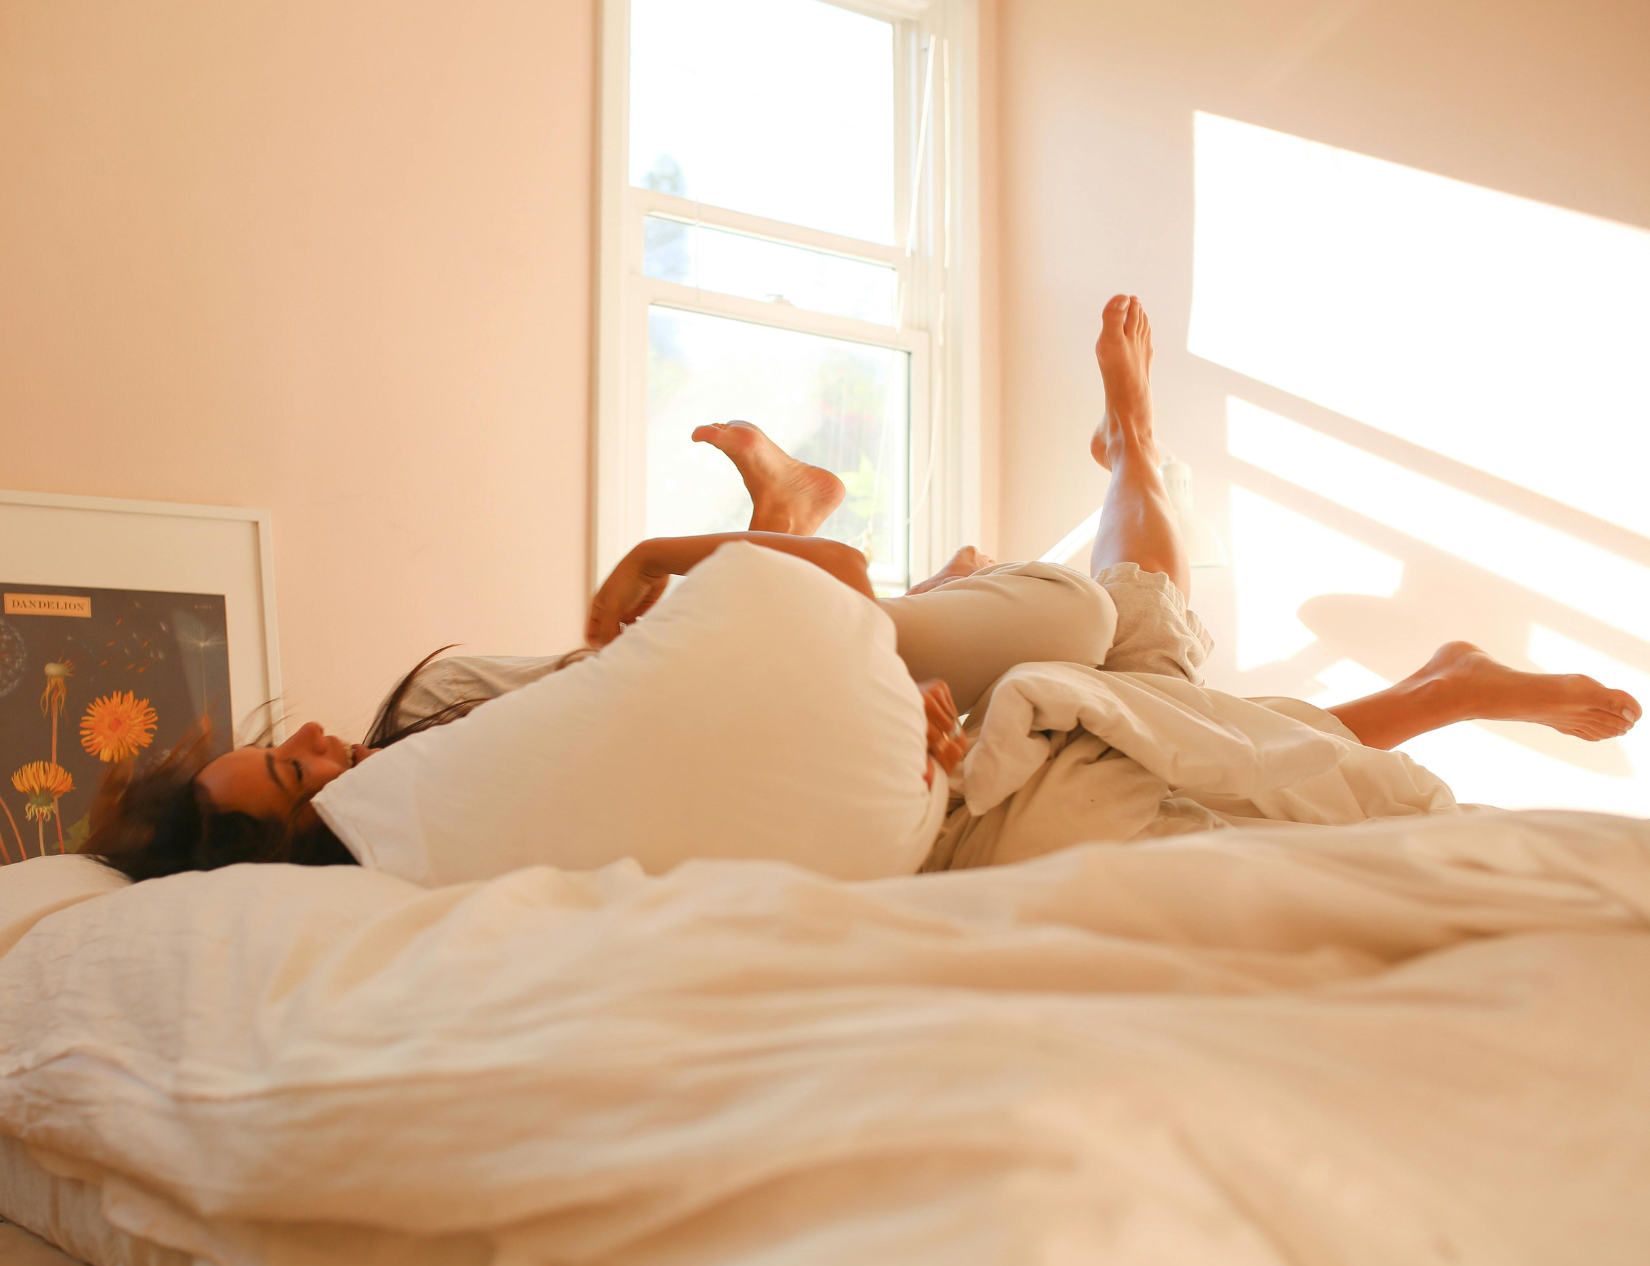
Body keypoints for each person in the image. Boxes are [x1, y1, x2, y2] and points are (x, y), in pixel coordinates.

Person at [84, 295, 1640, 883]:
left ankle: (1119, 465)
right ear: (290, 845)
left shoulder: (435, 728)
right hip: (873, 717)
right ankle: (1395, 661)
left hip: (829, 671)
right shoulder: (433, 837)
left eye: (302, 742)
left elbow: (629, 684)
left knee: (1120, 643)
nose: (332, 751)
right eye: (302, 778)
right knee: (1144, 655)